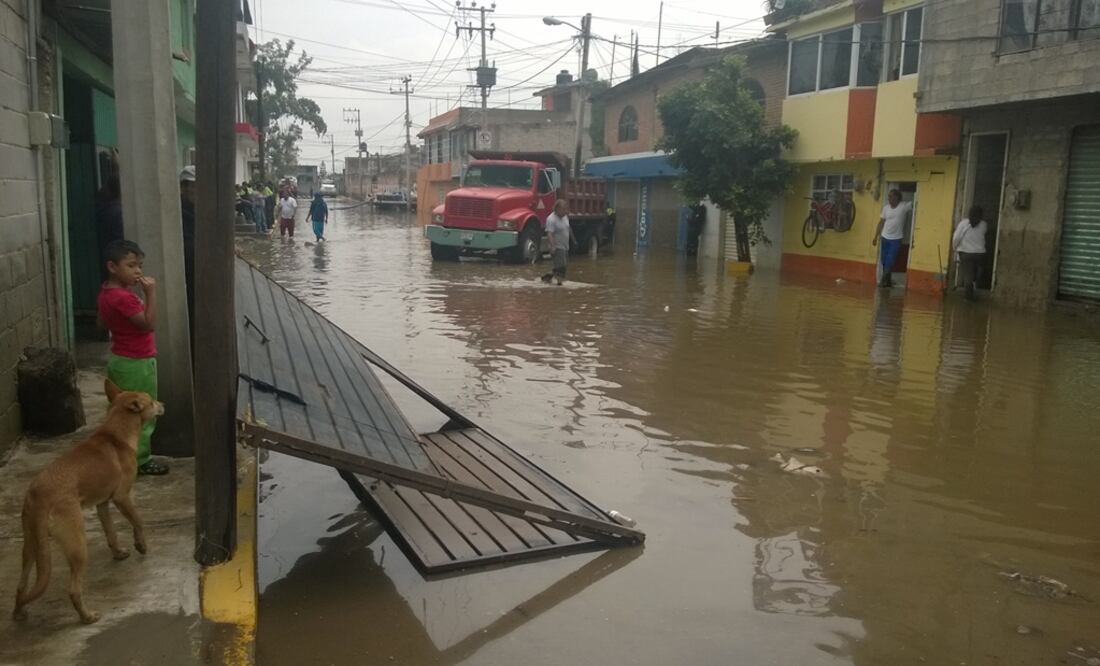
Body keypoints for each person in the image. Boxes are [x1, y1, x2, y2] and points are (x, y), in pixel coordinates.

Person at [97, 239, 167, 476]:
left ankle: (115, 454)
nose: (138, 271)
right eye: (131, 265)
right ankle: (140, 460)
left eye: (140, 265)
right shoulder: (124, 298)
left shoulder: (107, 292)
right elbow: (148, 324)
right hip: (137, 361)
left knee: (118, 410)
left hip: (118, 358)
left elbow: (101, 322)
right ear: (112, 266)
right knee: (144, 412)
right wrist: (151, 294)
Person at [872, 189, 913, 288]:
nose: (889, 198)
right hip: (884, 237)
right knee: (884, 261)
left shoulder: (904, 206)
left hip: (896, 239)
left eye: (891, 196)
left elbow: (918, 201)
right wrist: (875, 236)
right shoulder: (886, 208)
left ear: (897, 197)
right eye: (889, 196)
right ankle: (888, 281)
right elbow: (881, 222)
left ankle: (882, 281)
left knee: (890, 260)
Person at [952, 205, 988, 301]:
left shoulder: (964, 223)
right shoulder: (984, 224)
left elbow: (956, 238)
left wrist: (954, 248)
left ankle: (968, 298)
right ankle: (978, 285)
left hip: (966, 254)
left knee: (968, 276)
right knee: (980, 269)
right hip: (980, 253)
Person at [541, 200, 576, 285]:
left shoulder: (564, 217)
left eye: (566, 209)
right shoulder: (551, 219)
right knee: (561, 267)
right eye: (564, 209)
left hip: (565, 246)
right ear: (557, 209)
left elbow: (568, 228)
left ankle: (546, 277)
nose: (566, 211)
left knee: (560, 266)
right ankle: (559, 284)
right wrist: (553, 246)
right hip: (557, 246)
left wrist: (573, 239)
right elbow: (549, 233)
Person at [179, 166, 196, 338]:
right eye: (194, 186)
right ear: (183, 187)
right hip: (186, 277)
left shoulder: (199, 212)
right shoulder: (178, 213)